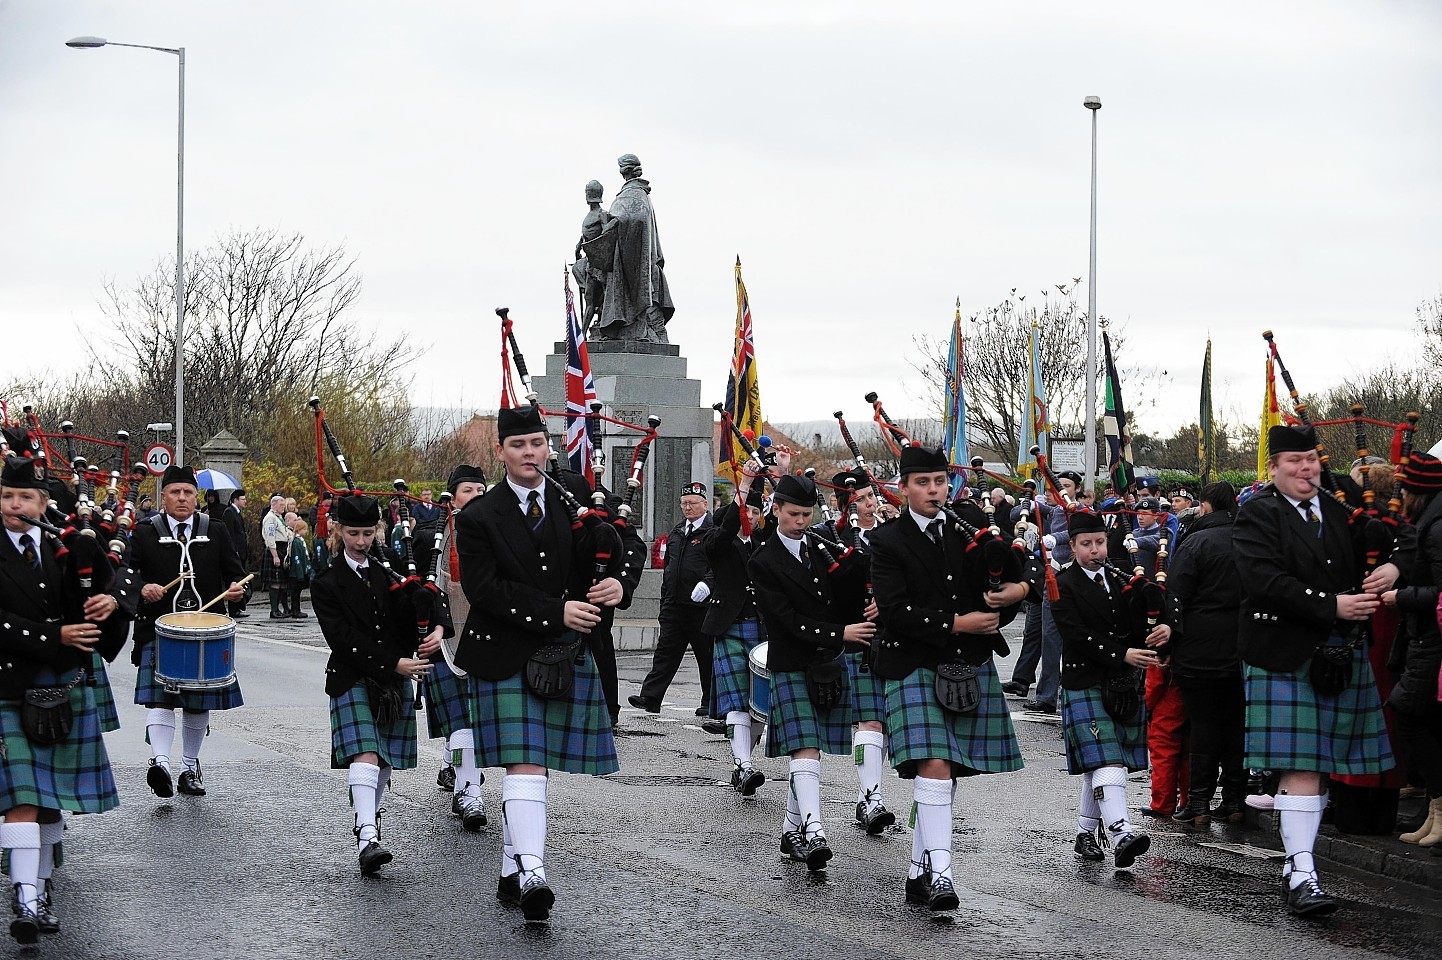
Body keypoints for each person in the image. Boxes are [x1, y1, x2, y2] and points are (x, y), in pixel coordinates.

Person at [453, 405, 621, 922]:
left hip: (563, 652)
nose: (530, 454)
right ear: (500, 452)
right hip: (503, 650)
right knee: (526, 761)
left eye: (536, 444)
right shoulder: (479, 516)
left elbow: (613, 553)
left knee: (536, 765)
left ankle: (511, 862)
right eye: (518, 446)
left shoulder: (572, 504)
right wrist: (557, 610)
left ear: (548, 446)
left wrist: (619, 586)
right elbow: (483, 590)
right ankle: (532, 870)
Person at [1233, 423, 1403, 916]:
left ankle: (1295, 861)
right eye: (1294, 462)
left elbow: (1398, 540)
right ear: (1274, 467)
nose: (1306, 469)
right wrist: (1331, 605)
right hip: (1282, 652)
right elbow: (1262, 579)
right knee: (1305, 764)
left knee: (1318, 766)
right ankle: (1304, 873)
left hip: (1339, 651)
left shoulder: (1337, 507)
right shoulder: (1257, 513)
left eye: (1311, 459)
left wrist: (1394, 567)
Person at [869, 446, 1027, 910]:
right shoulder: (888, 542)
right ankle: (942, 873)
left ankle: (920, 869)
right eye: (922, 483)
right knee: (935, 764)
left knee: (945, 775)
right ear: (903, 488)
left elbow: (1009, 581)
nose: (933, 490)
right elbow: (895, 613)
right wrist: (957, 623)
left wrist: (1018, 591)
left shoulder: (968, 529)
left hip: (967, 664)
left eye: (939, 481)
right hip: (913, 662)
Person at [0, 455, 128, 942]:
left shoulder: (67, 547)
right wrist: (54, 637)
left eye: (25, 497)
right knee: (24, 800)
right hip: (9, 687)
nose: (16, 505)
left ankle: (43, 887)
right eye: (8, 497)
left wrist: (110, 602)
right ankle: (25, 901)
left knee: (49, 803)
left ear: (43, 503)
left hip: (64, 689)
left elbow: (114, 592)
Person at [311, 492, 449, 875]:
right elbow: (341, 640)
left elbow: (427, 600)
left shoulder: (389, 574)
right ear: (338, 531)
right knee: (366, 753)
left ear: (378, 531)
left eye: (368, 533)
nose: (360, 541)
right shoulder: (325, 582)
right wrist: (395, 664)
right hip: (354, 675)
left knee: (384, 756)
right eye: (353, 533)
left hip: (395, 677)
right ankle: (367, 835)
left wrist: (436, 625)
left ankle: (368, 819)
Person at [749, 473, 874, 873]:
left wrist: (861, 580)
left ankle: (792, 830)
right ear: (777, 510)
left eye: (807, 514)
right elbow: (785, 620)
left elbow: (841, 601)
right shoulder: (763, 560)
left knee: (810, 748)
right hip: (791, 662)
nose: (801, 521)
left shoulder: (820, 549)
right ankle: (815, 830)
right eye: (793, 514)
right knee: (807, 747)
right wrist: (841, 632)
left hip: (827, 664)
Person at [1052, 508, 1172, 870]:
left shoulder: (1122, 579)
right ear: (1072, 546)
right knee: (1107, 759)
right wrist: (1123, 654)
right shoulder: (1062, 584)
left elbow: (1138, 625)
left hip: (1120, 681)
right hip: (1085, 679)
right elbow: (1075, 633)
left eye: (1100, 542)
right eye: (1086, 544)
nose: (1095, 550)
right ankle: (1120, 832)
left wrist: (1163, 630)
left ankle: (1086, 833)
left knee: (1101, 761)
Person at [129, 464, 247, 798]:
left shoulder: (216, 529)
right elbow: (124, 575)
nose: (182, 498)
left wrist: (239, 590)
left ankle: (188, 767)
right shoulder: (144, 531)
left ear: (196, 497)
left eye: (188, 493)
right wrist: (142, 588)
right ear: (163, 497)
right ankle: (161, 764)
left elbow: (236, 576)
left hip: (205, 632)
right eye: (175, 492)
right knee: (161, 699)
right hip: (159, 630)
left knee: (196, 703)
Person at [1168, 481, 1247, 824]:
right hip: (1243, 645)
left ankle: (1198, 802)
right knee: (1234, 725)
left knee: (1202, 724)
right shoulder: (1251, 539)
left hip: (1198, 645)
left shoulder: (1195, 541)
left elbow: (1175, 593)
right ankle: (1234, 800)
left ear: (1207, 506)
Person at [416, 464, 487, 826]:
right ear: (452, 497)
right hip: (443, 637)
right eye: (467, 490)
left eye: (480, 490)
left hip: (486, 637)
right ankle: (468, 792)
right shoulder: (431, 537)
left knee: (473, 721)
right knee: (461, 719)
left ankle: (456, 771)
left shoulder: (497, 533)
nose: (475, 497)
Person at [1379, 451, 1442, 846]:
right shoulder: (1430, 520)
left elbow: (1439, 592)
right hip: (1422, 636)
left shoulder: (1435, 528)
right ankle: (1435, 812)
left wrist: (1401, 596)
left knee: (1412, 718)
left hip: (1430, 638)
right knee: (1423, 721)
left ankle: (1439, 810)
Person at [831, 470, 896, 833]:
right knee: (869, 721)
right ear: (847, 506)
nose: (870, 504)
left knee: (884, 726)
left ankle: (865, 796)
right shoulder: (836, 537)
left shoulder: (897, 533)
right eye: (861, 500)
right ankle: (872, 800)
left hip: (898, 637)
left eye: (872, 496)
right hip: (860, 636)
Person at [703, 469, 774, 795]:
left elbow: (784, 524)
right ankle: (744, 766)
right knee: (736, 703)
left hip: (763, 629)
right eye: (746, 509)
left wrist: (780, 476)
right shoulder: (717, 540)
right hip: (729, 626)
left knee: (758, 703)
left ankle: (742, 761)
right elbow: (729, 524)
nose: (751, 515)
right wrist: (743, 487)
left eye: (756, 511)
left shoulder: (765, 542)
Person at [629, 482, 714, 716]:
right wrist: (664, 602)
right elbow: (669, 569)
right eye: (684, 503)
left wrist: (708, 583)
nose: (688, 507)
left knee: (706, 657)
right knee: (665, 653)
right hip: (675, 605)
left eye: (693, 503)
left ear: (704, 504)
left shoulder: (712, 532)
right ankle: (651, 697)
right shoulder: (677, 532)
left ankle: (709, 701)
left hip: (701, 607)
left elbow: (718, 565)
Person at [260, 495, 292, 619]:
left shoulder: (278, 517)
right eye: (281, 505)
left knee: (281, 582)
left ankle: (279, 609)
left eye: (284, 505)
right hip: (275, 549)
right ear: (273, 505)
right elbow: (270, 537)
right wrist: (275, 556)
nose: (283, 507)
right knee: (275, 582)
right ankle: (274, 610)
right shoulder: (270, 518)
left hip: (281, 549)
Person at [221, 489, 250, 619]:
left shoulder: (237, 513)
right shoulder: (229, 512)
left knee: (239, 581)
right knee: (234, 581)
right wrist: (234, 551)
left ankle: (238, 607)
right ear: (235, 500)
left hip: (241, 552)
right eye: (243, 499)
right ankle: (233, 609)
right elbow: (229, 534)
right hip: (236, 552)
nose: (245, 501)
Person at [287, 519, 314, 619]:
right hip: (296, 573)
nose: (306, 531)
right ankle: (295, 610)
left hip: (300, 571)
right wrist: (300, 573)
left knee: (297, 592)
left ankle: (296, 609)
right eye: (305, 529)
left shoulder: (299, 541)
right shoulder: (297, 542)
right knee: (295, 593)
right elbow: (297, 558)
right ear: (299, 530)